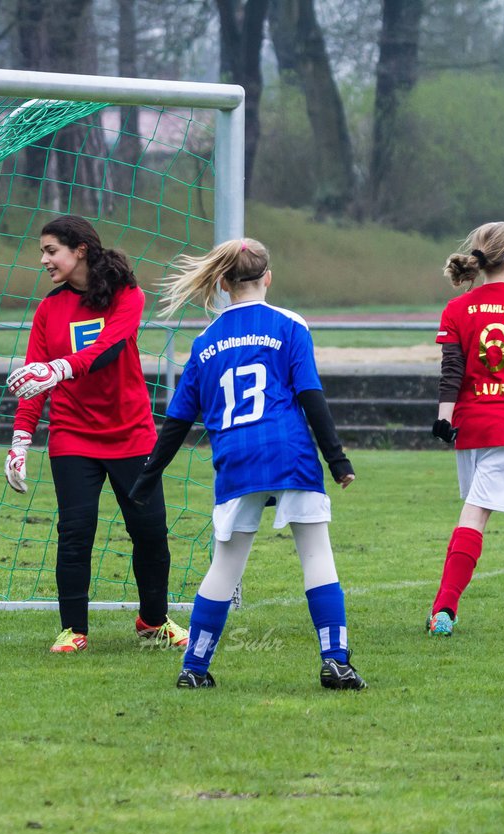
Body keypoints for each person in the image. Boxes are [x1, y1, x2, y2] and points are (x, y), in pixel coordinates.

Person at [128, 236, 364, 690]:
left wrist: (147, 477)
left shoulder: (205, 341)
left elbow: (177, 421)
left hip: (235, 457)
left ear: (221, 283)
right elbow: (310, 396)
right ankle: (335, 662)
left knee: (225, 564)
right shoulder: (289, 324)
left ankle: (193, 669)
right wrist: (337, 459)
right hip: (288, 450)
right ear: (267, 278)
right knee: (315, 552)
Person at [3, 214, 189, 654]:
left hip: (131, 433)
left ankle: (153, 621)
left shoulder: (128, 295)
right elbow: (35, 379)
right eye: (43, 252)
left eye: (51, 250)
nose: (44, 260)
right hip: (72, 435)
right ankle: (73, 630)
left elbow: (106, 349)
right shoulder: (49, 309)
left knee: (150, 532)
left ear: (79, 249)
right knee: (75, 531)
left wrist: (58, 368)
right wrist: (20, 440)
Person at [427, 222, 504, 637]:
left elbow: (451, 373)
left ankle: (443, 609)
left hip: (469, 430)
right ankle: (443, 609)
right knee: (474, 515)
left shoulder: (457, 309)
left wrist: (443, 419)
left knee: (473, 513)